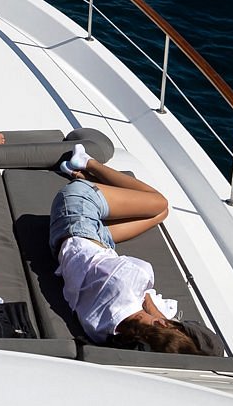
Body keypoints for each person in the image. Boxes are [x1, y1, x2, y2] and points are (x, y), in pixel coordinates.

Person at [49, 145, 208, 355]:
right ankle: (84, 176)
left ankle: (87, 163)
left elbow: (140, 288)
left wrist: (153, 310)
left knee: (160, 202)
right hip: (73, 240)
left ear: (162, 324)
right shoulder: (100, 332)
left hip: (75, 211)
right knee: (160, 215)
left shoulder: (132, 280)